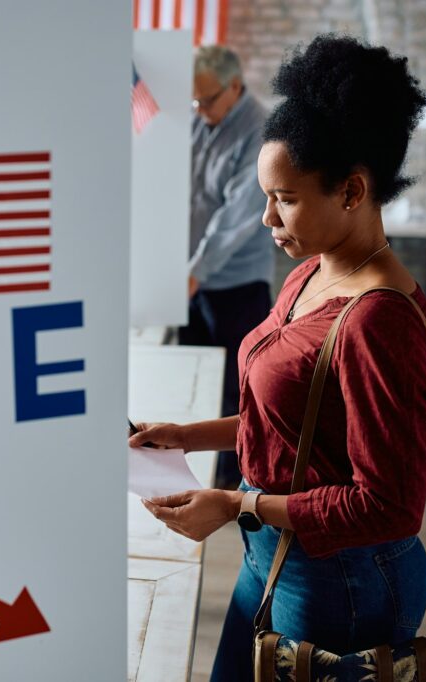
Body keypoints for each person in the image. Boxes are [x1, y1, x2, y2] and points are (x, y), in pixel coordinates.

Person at [129, 36, 426, 681]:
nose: (267, 217)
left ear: (353, 191)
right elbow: (298, 425)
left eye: (287, 199)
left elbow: (388, 506)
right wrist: (189, 436)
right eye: (265, 196)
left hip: (342, 581)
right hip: (276, 552)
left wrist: (236, 505)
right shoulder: (309, 275)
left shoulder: (379, 319)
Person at [183, 46, 274, 488]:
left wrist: (194, 270)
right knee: (194, 379)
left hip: (237, 281)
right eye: (194, 101)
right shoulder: (199, 121)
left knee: (240, 388)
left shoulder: (259, 132)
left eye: (207, 100)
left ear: (235, 86)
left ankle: (240, 480)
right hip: (192, 279)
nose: (200, 109)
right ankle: (199, 471)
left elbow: (236, 215)